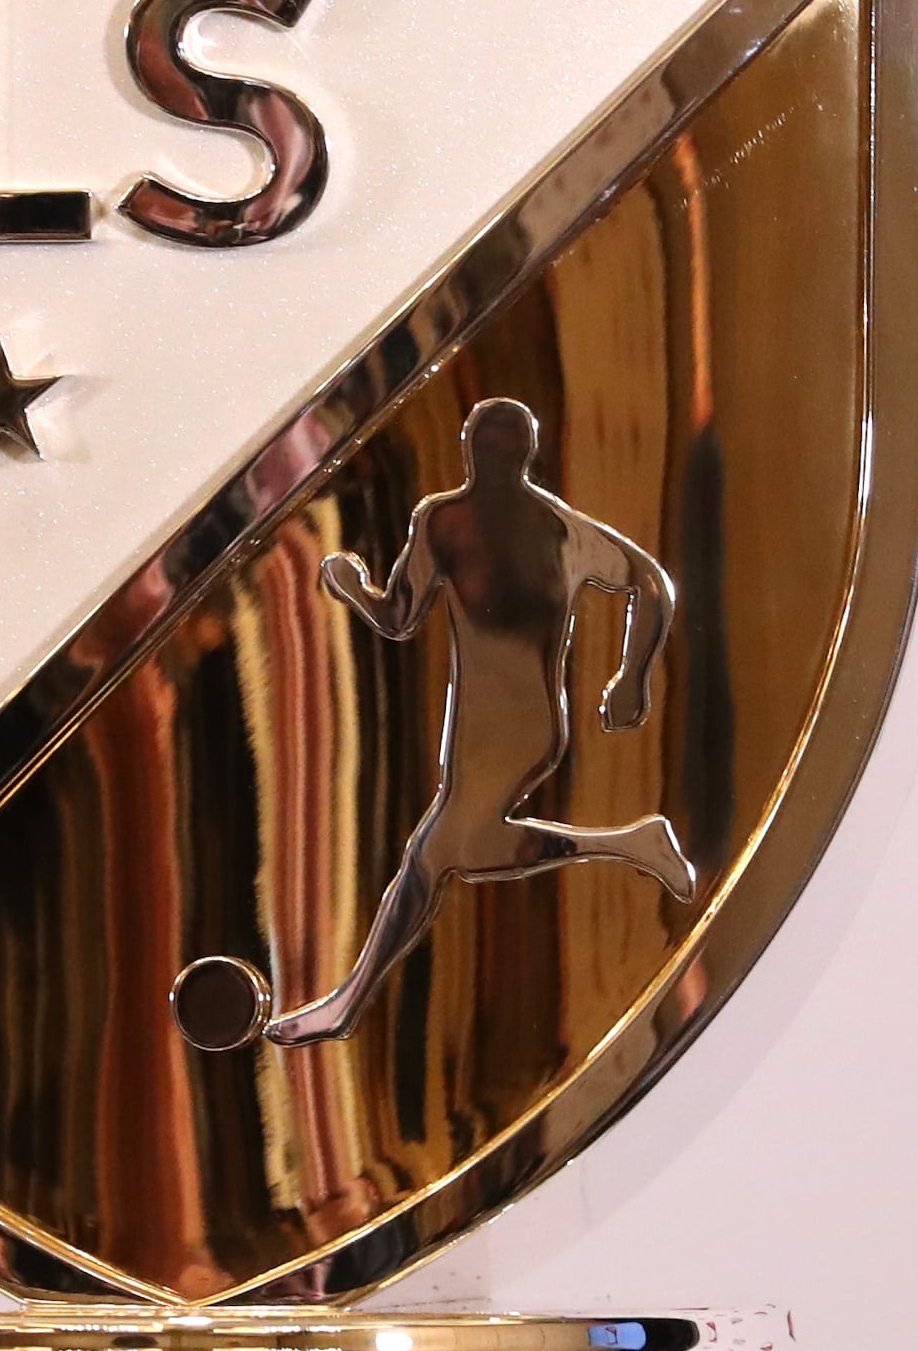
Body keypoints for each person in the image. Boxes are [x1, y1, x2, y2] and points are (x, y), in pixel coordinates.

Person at [267, 398, 698, 1047]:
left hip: (513, 731)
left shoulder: (475, 523)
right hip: (499, 727)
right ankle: (634, 843)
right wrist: (629, 675)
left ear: (487, 455)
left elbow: (397, 616)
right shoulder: (530, 526)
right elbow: (649, 584)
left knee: (432, 858)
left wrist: (352, 587)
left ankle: (346, 1005)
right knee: (460, 851)